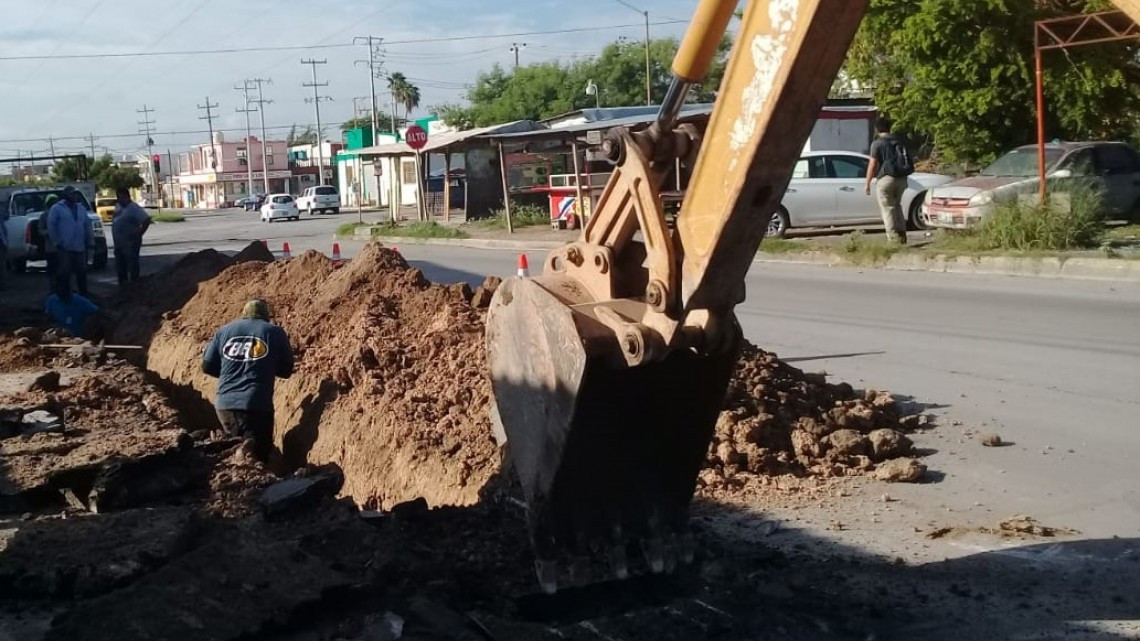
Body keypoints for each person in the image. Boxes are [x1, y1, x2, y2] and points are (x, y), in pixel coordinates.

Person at [202, 299, 294, 464]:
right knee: (258, 456)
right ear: (265, 316)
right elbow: (287, 370)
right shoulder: (274, 332)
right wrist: (266, 368)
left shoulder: (223, 331)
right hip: (257, 404)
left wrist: (228, 375)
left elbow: (207, 366)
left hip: (225, 405)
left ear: (244, 315)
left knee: (235, 452)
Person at [864, 117, 914, 245]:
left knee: (887, 208)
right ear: (889, 127)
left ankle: (892, 240)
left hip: (886, 178)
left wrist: (867, 183)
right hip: (902, 178)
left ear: (876, 129)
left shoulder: (877, 143)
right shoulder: (899, 141)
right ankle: (902, 237)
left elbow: (873, 163)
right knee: (897, 206)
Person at [47, 186, 93, 297]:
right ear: (66, 196)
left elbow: (87, 225)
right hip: (64, 246)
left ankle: (83, 292)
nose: (74, 196)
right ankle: (64, 294)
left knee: (81, 271)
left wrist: (90, 240)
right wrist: (56, 241)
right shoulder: (57, 208)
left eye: (75, 194)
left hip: (79, 246)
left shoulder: (81, 208)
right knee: (65, 271)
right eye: (72, 194)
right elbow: (51, 225)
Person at [111, 187, 152, 286]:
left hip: (130, 243)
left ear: (128, 197)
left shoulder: (134, 208)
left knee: (132, 265)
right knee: (120, 267)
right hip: (119, 243)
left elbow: (146, 220)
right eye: (119, 198)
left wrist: (139, 233)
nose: (121, 200)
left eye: (123, 197)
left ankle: (134, 286)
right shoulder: (118, 206)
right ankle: (123, 287)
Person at [39, 194, 60, 292]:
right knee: (52, 271)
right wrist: (50, 232)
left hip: (62, 248)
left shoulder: (62, 213)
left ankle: (63, 289)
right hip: (51, 249)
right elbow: (41, 231)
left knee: (63, 270)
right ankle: (53, 290)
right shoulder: (44, 215)